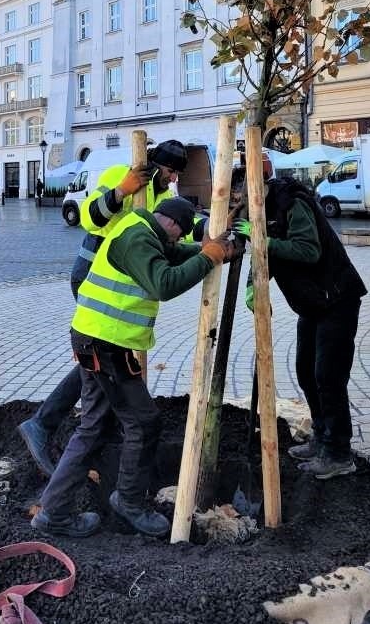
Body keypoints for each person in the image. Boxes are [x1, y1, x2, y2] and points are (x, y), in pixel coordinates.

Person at [30, 197, 235, 539]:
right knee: (143, 422)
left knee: (93, 426)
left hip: (94, 338)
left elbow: (173, 254)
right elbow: (164, 283)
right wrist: (208, 257)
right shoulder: (139, 239)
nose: (176, 240)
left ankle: (54, 512)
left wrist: (209, 250)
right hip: (106, 345)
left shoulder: (141, 230)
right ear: (170, 223)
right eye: (178, 234)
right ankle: (128, 501)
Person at [18, 140, 189, 475]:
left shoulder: (162, 197)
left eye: (176, 174)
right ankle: (45, 423)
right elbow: (89, 218)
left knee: (98, 359)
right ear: (157, 165)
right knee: (99, 353)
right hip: (94, 276)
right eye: (170, 171)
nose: (172, 179)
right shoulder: (118, 174)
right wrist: (121, 191)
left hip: (118, 282)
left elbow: (175, 228)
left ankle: (51, 424)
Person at [237, 177, 367, 480]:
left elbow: (308, 250)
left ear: (256, 189)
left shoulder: (293, 204)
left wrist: (263, 240)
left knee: (328, 376)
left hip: (336, 298)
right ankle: (321, 437)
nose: (238, 203)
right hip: (312, 304)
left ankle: (338, 453)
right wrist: (251, 286)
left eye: (239, 196)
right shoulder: (261, 212)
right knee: (306, 371)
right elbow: (266, 255)